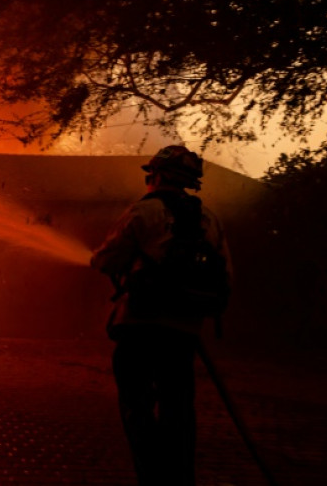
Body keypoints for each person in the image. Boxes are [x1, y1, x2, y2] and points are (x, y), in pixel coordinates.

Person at [90, 145, 230, 486]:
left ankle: (151, 477)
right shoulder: (208, 219)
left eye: (151, 174)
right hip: (183, 331)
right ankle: (180, 478)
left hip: (139, 327)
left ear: (158, 175)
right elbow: (225, 276)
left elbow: (107, 260)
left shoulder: (143, 212)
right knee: (178, 410)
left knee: (137, 409)